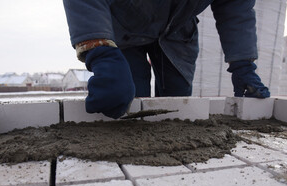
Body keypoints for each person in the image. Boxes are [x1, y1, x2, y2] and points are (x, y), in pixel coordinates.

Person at [63, 0, 270, 119]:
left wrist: (243, 63)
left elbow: (235, 5)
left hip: (177, 28)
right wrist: (99, 50)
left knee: (177, 109)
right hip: (125, 22)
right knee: (129, 105)